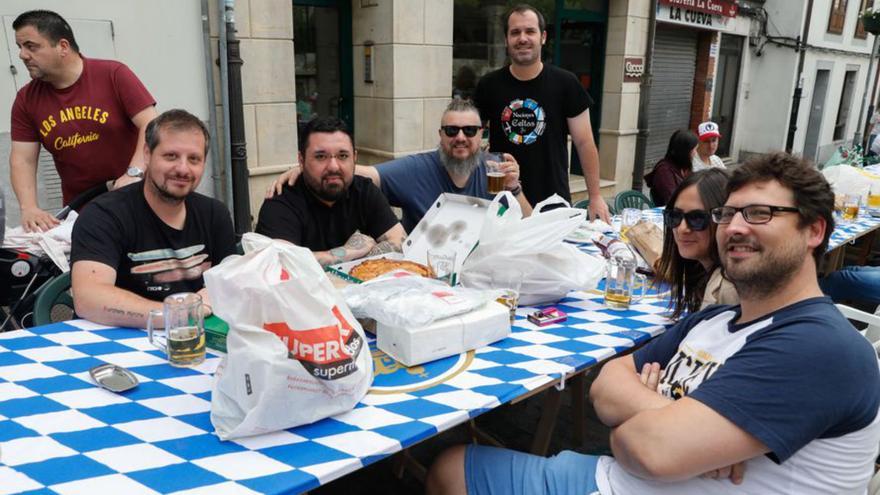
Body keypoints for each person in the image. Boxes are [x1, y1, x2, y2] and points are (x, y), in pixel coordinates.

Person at [426, 151, 880, 495]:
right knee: (451, 466)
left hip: (622, 480)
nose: (735, 227)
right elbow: (605, 387)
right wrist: (670, 419)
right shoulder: (716, 320)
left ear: (815, 231)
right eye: (728, 214)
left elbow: (648, 449)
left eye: (760, 213)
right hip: (612, 477)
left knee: (450, 468)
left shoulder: (821, 347)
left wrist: (643, 417)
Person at [70, 109, 236, 329]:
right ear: (147, 154)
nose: (183, 169)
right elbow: (89, 299)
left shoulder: (215, 213)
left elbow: (233, 282)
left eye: (194, 159)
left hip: (193, 344)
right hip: (116, 345)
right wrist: (179, 314)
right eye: (171, 156)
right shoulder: (104, 214)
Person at [267, 99, 532, 232]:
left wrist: (515, 189)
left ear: (481, 134)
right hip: (428, 276)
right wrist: (310, 168)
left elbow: (530, 225)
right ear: (440, 135)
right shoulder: (416, 169)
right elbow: (367, 173)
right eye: (452, 130)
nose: (460, 137)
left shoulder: (495, 167)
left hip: (482, 272)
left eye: (469, 130)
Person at [10, 9, 158, 233]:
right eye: (20, 47)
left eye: (31, 46)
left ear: (62, 46)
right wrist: (29, 207)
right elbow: (23, 160)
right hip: (83, 212)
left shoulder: (113, 74)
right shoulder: (26, 99)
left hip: (138, 199)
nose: (22, 55)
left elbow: (151, 124)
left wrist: (133, 173)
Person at [473, 4, 611, 223]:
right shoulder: (489, 85)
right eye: (515, 32)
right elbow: (472, 135)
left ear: (543, 37)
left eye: (530, 31)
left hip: (553, 203)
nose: (522, 38)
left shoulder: (566, 83)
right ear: (507, 40)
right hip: (504, 202)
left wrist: (595, 196)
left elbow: (584, 143)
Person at [255, 116, 406, 266]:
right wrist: (348, 252)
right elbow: (282, 262)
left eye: (343, 156)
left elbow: (401, 242)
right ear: (301, 161)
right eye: (321, 156)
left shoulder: (364, 191)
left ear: (354, 158)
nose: (334, 166)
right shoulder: (281, 201)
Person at [656, 168, 736, 320]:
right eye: (675, 216)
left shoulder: (727, 289)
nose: (682, 228)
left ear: (725, 220)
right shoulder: (702, 274)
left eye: (697, 219)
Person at [645, 129, 698, 206]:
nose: (695, 153)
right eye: (694, 150)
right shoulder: (664, 170)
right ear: (686, 152)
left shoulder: (684, 167)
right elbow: (671, 199)